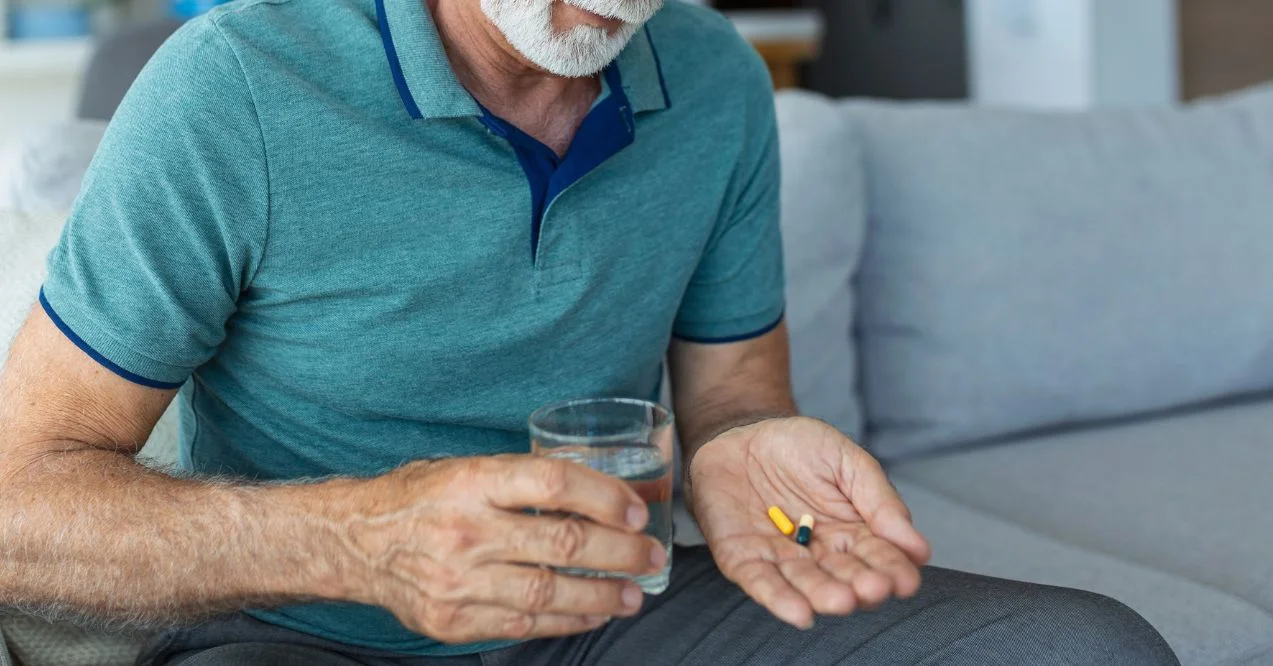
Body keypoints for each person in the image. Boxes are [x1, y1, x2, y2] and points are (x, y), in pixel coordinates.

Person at [0, 0, 1179, 664]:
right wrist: (358, 545)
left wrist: (748, 449)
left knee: (1089, 650)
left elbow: (734, 400)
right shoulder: (236, 87)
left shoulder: (716, 82)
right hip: (296, 634)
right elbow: (18, 506)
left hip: (607, 609)